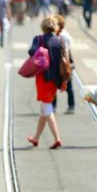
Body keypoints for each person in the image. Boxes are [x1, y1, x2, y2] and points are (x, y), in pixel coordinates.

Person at [27, 16, 63, 149]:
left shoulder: (39, 39)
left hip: (43, 77)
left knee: (47, 108)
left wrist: (41, 54)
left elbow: (31, 51)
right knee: (44, 108)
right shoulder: (59, 41)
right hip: (55, 79)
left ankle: (57, 138)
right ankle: (36, 138)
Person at [53, 15, 75, 114]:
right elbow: (68, 51)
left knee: (54, 85)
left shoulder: (59, 37)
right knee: (68, 86)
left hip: (59, 64)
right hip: (66, 64)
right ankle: (71, 105)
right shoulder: (64, 36)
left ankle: (54, 106)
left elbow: (65, 52)